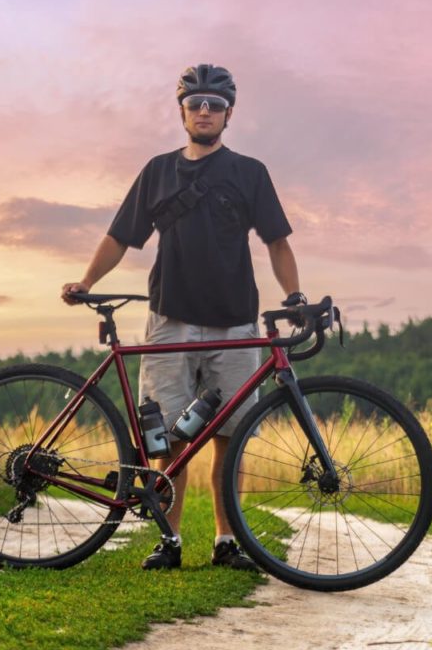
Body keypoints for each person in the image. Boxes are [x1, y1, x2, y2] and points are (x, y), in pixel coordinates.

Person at [61, 63, 304, 572]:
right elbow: (120, 236)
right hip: (169, 318)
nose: (205, 111)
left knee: (230, 438)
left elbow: (277, 242)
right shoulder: (158, 171)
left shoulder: (249, 172)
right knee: (168, 438)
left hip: (234, 321)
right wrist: (87, 281)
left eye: (215, 105)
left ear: (229, 113)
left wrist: (296, 294)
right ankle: (169, 542)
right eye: (196, 103)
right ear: (182, 111)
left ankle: (226, 543)